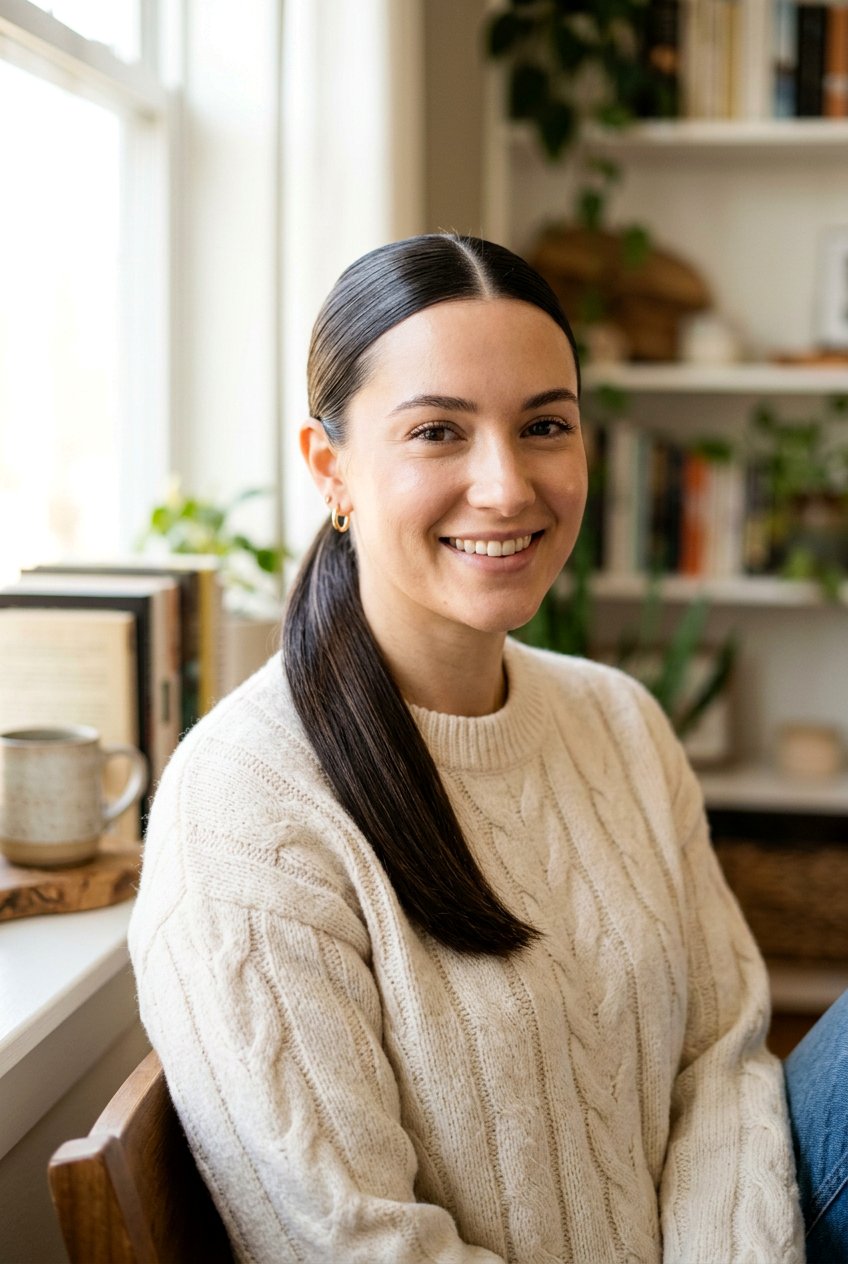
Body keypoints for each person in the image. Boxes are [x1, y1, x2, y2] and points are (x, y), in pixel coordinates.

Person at [129, 233, 807, 1262]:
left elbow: (721, 1059)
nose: (503, 486)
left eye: (543, 425)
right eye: (438, 432)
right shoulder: (244, 803)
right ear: (332, 469)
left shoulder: (620, 721)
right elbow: (354, 1241)